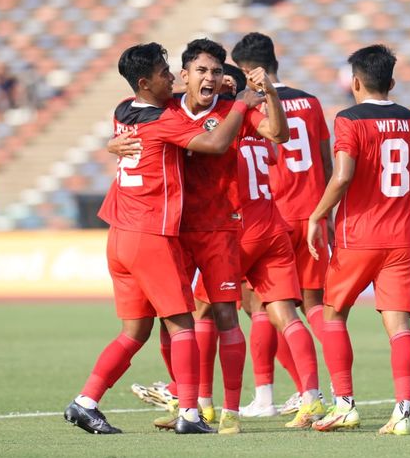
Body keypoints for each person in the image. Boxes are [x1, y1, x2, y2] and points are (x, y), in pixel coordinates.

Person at [63, 42, 264, 435]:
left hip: (119, 232)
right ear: (144, 81)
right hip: (149, 233)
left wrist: (109, 143)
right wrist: (240, 102)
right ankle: (190, 413)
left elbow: (142, 118)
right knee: (183, 324)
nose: (171, 77)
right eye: (163, 73)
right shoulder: (164, 121)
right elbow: (216, 143)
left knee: (135, 331)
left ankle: (84, 402)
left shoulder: (124, 109)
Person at [306, 44, 410, 435]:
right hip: (402, 239)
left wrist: (318, 213)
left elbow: (341, 175)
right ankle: (403, 413)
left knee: (334, 314)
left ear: (355, 82)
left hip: (358, 236)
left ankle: (344, 404)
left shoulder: (349, 119)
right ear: (392, 82)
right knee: (400, 328)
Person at [231, 32, 333, 417]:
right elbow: (324, 161)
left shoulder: (252, 104)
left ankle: (265, 396)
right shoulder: (311, 101)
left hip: (270, 216)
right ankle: (335, 391)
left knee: (260, 304)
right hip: (311, 213)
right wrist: (328, 215)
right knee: (315, 306)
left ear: (246, 70)